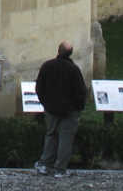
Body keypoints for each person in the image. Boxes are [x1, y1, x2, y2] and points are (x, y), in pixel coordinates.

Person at [34, 40, 87, 178]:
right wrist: (78, 108)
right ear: (71, 54)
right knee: (66, 139)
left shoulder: (47, 66)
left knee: (51, 135)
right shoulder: (74, 70)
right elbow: (80, 92)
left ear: (58, 51)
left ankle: (45, 165)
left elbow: (39, 87)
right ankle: (60, 169)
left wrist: (45, 103)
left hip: (51, 108)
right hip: (70, 110)